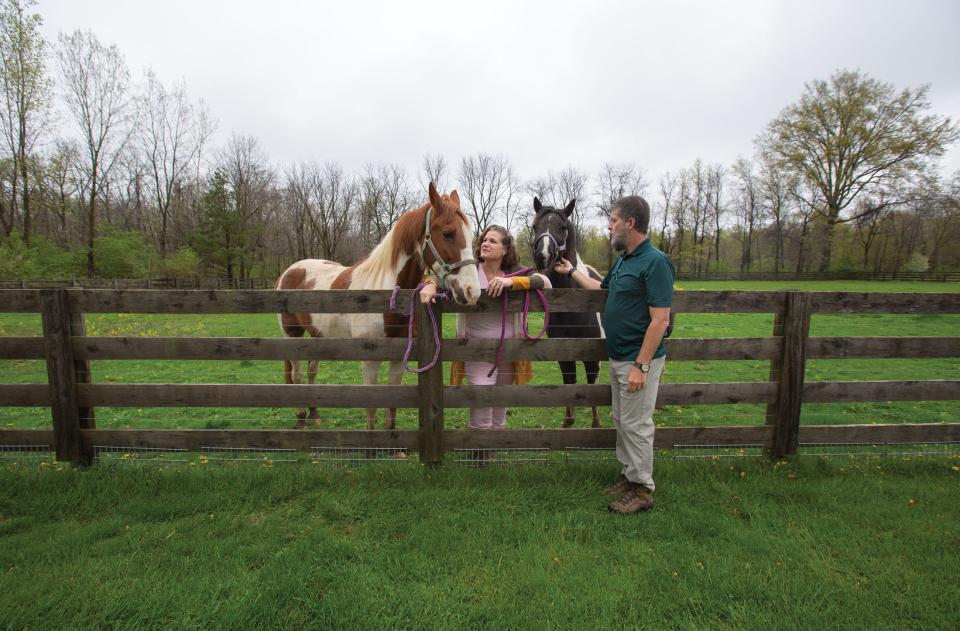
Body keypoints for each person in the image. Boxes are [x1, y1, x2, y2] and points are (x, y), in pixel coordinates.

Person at [554, 196, 674, 514]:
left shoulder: (655, 262)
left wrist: (641, 365)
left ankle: (643, 489)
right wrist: (571, 271)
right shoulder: (624, 259)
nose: (609, 225)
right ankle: (628, 476)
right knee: (622, 420)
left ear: (630, 223)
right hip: (619, 356)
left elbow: (661, 319)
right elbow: (602, 290)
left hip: (638, 360)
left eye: (613, 220)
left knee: (636, 424)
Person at [420, 225, 551, 440]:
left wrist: (511, 282)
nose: (485, 243)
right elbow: (437, 274)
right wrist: (431, 284)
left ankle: (492, 455)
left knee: (500, 404)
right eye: (484, 240)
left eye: (493, 241)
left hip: (510, 351)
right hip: (475, 349)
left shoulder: (515, 271)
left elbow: (546, 282)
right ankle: (479, 455)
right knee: (481, 399)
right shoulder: (468, 270)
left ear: (505, 250)